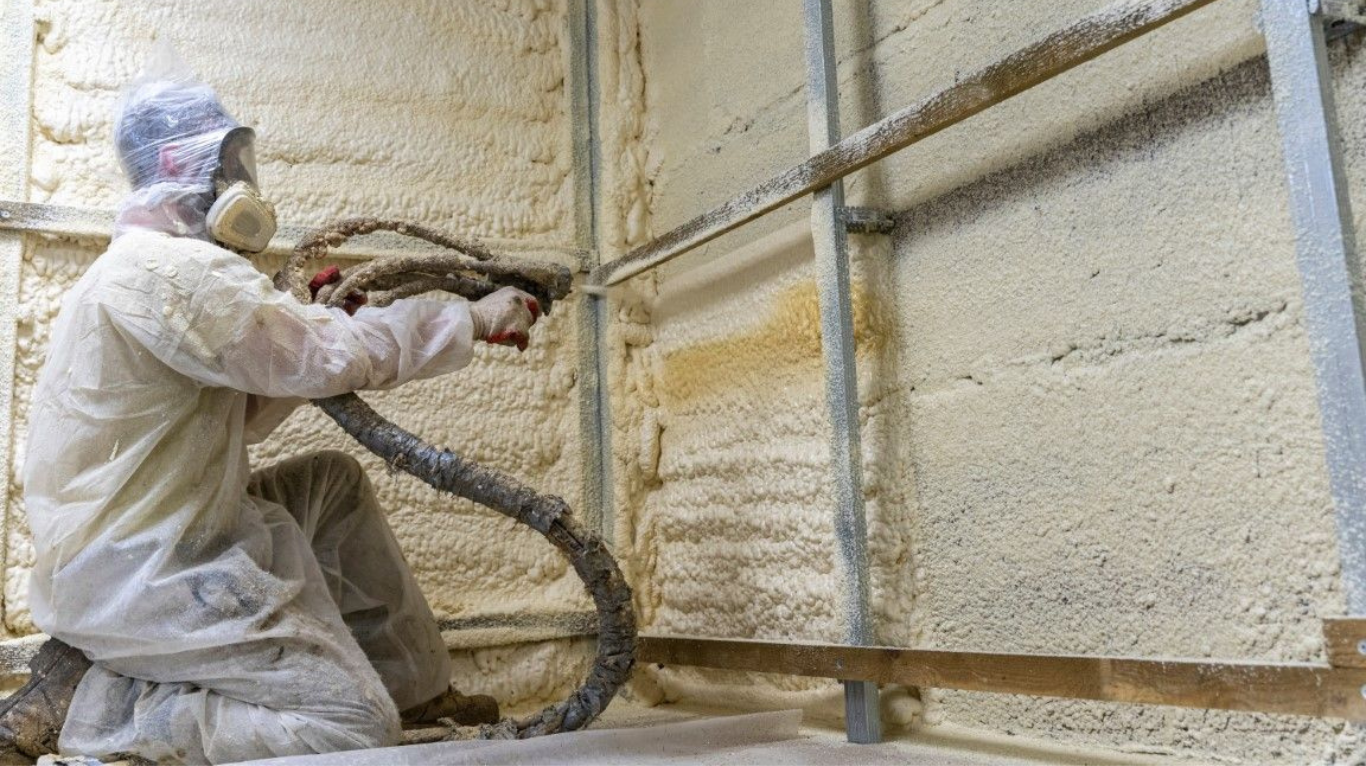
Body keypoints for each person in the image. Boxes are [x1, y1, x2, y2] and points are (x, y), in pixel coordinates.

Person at [0, 53, 542, 764]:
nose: (242, 181)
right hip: (150, 569)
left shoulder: (145, 271)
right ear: (181, 162)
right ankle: (93, 704)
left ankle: (414, 692)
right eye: (229, 161)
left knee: (331, 484)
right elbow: (321, 357)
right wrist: (467, 318)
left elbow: (247, 406)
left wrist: (314, 318)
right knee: (349, 727)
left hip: (144, 536)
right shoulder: (170, 270)